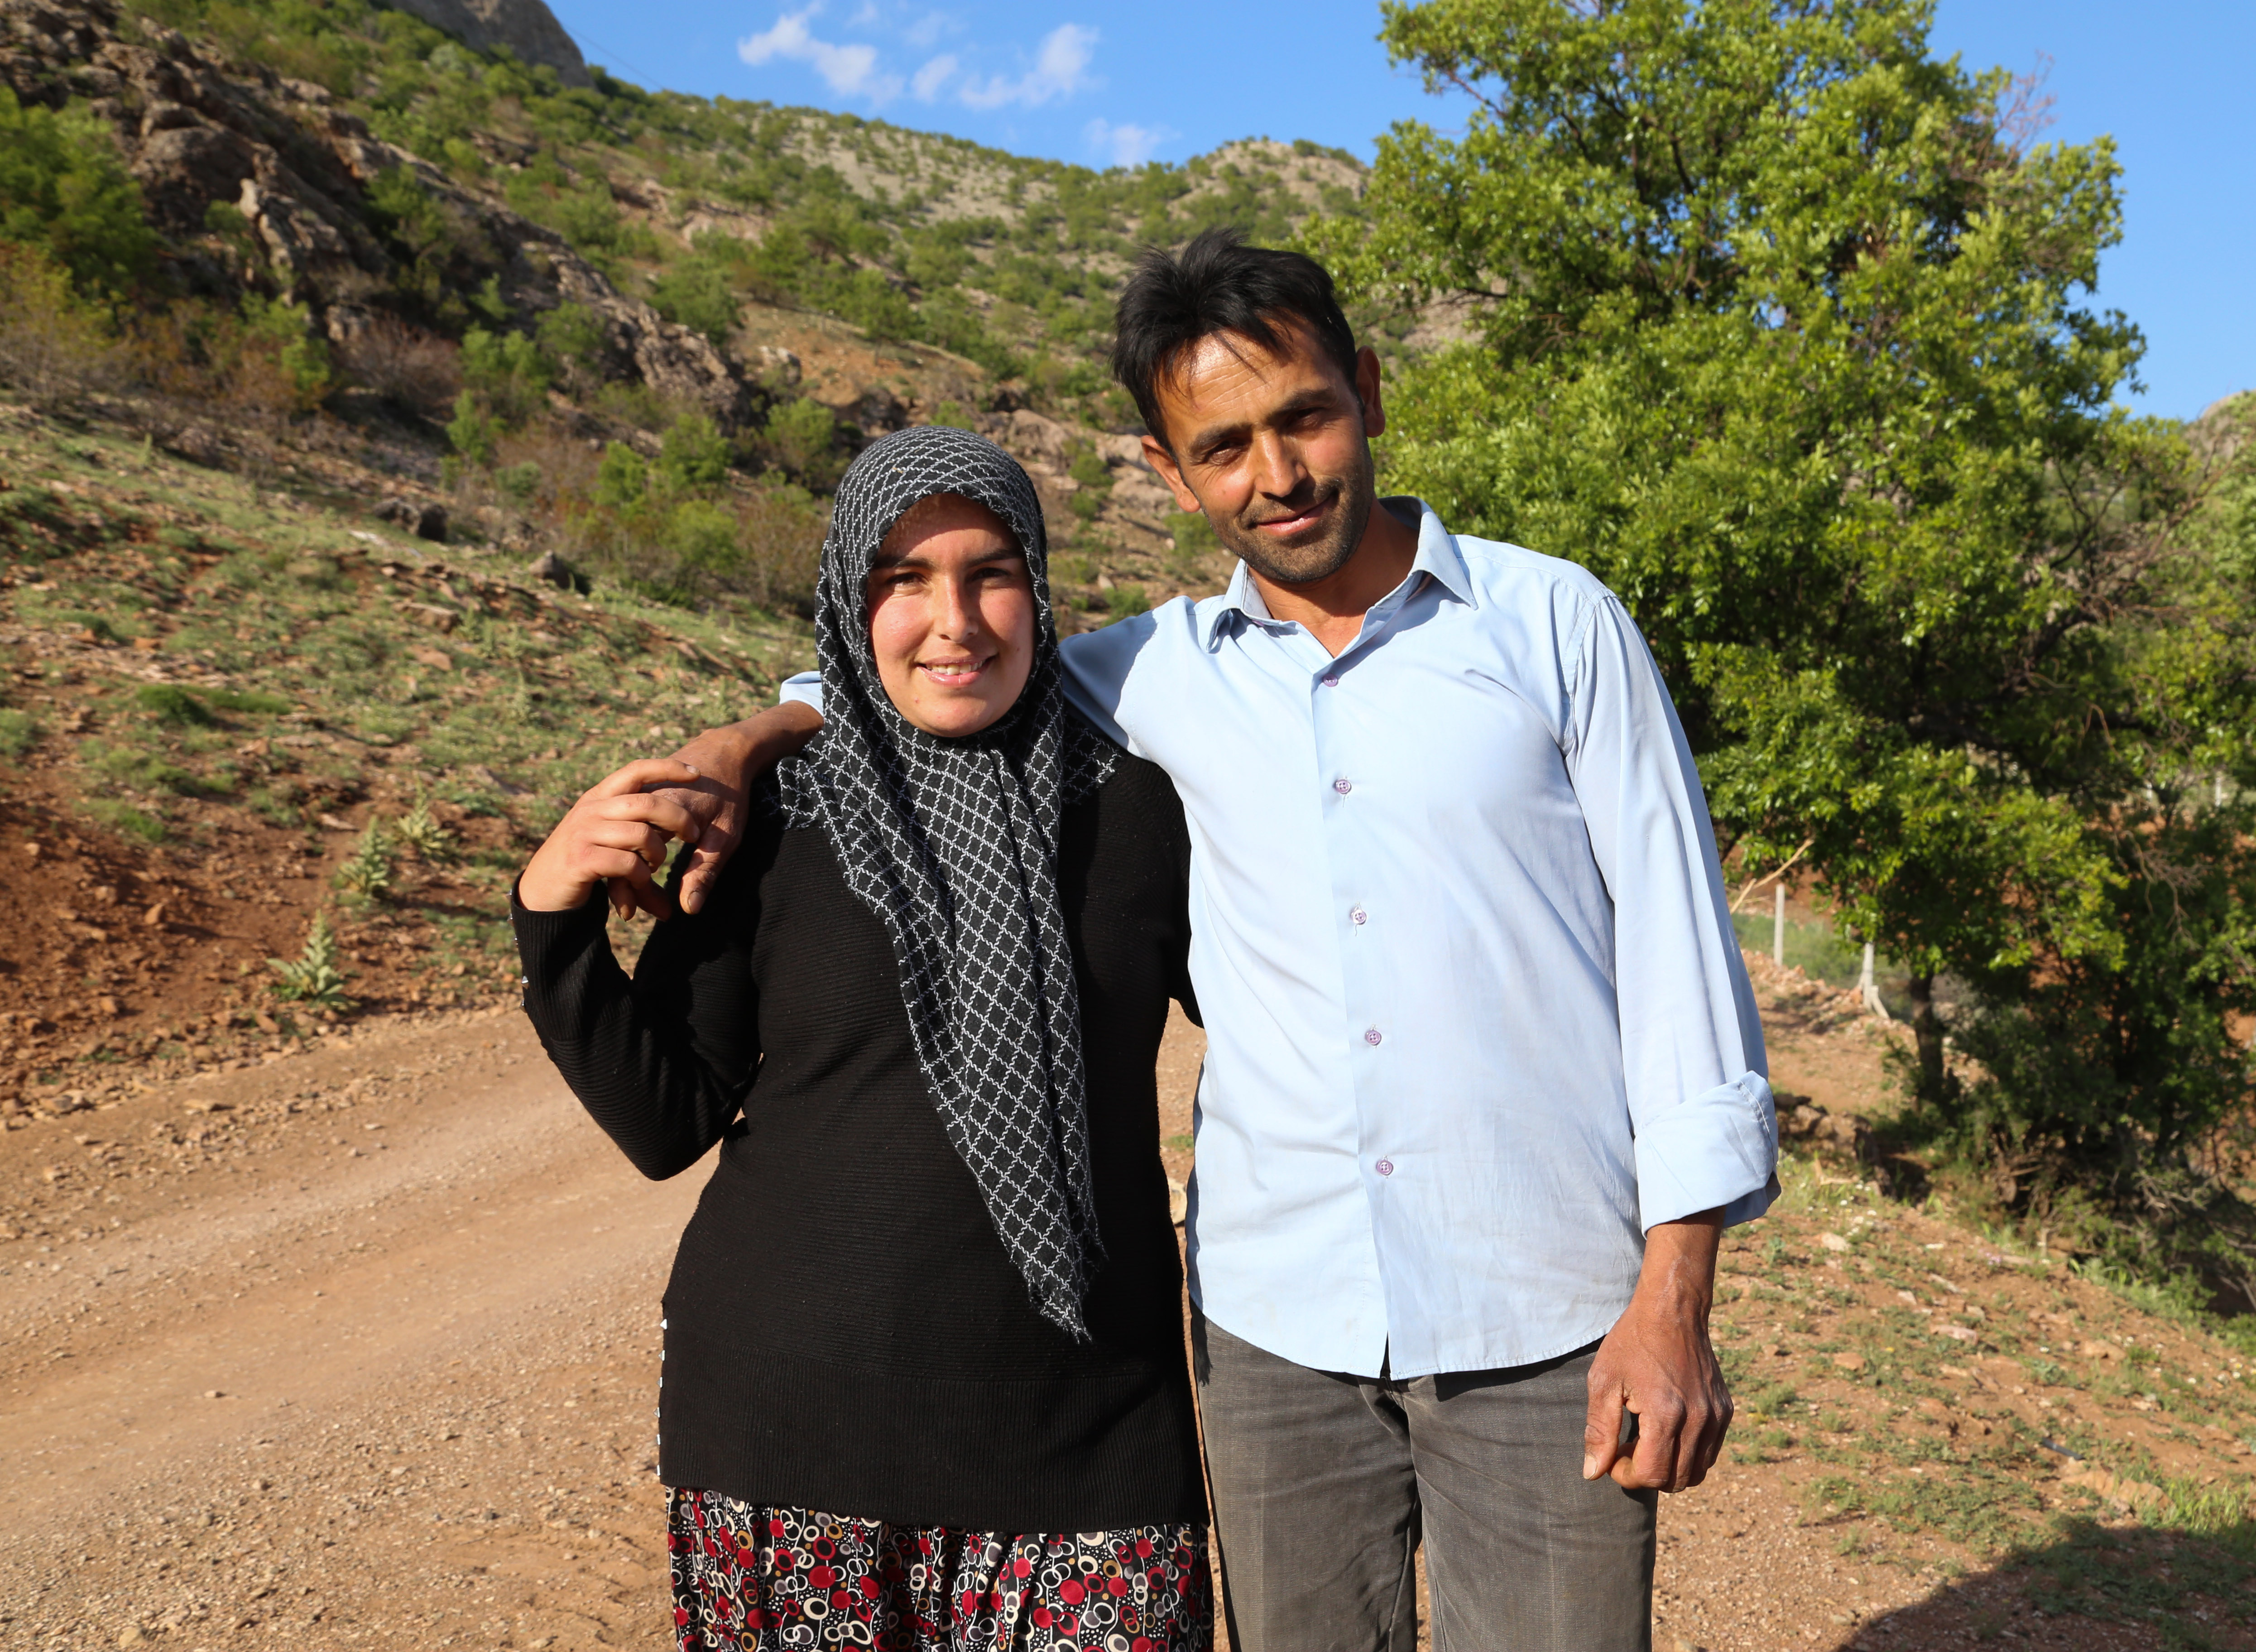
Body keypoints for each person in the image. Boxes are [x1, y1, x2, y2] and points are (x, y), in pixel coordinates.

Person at [662, 233, 1775, 1652]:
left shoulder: (1554, 626)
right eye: (1225, 444)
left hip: (1549, 1316)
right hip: (1275, 1337)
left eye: (1303, 415)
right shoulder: (1146, 677)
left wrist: (1673, 1299)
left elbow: (1684, 972)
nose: (1279, 472)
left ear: (1366, 390)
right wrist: (754, 735)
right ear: (1168, 466)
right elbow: (921, 669)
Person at [512, 426, 1212, 1652]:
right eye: (904, 581)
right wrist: (552, 918)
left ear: (1040, 590)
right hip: (793, 1446)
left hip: (1090, 1446)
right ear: (850, 601)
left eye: (992, 573)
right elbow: (666, 1116)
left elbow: (1296, 1034)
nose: (956, 622)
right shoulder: (776, 818)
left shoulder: (1145, 812)